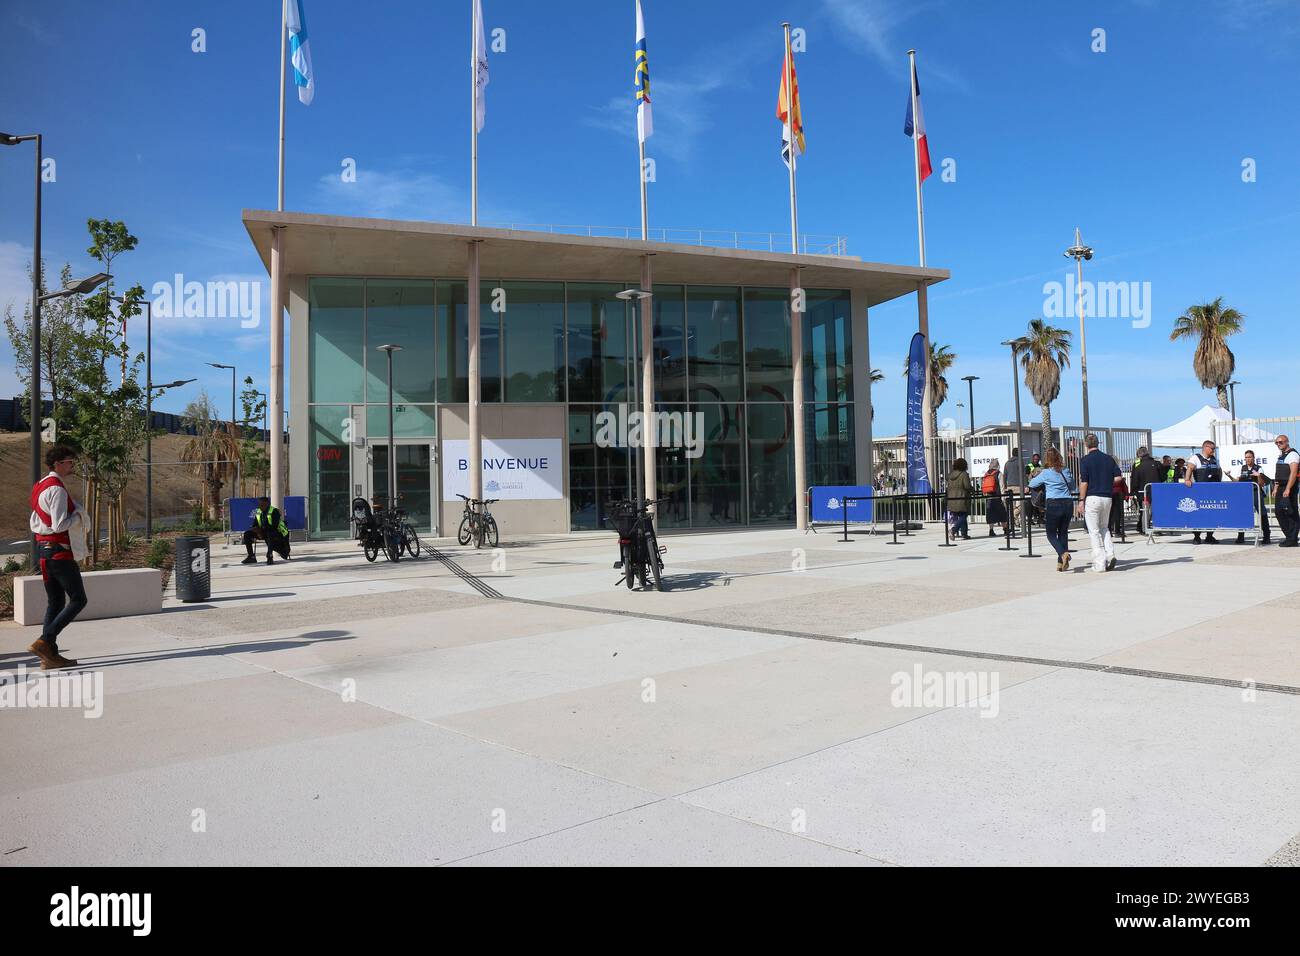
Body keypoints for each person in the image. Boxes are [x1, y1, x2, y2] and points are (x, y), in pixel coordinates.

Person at [28, 444, 87, 670]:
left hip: (44, 550)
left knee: (55, 602)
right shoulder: (58, 490)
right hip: (60, 551)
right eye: (70, 462)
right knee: (79, 599)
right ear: (58, 463)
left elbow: (37, 520)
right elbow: (59, 523)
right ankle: (45, 641)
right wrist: (78, 517)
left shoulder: (41, 486)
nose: (72, 465)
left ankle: (49, 655)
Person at [1077, 433, 1121, 572]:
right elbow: (1119, 477)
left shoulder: (1085, 460)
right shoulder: (1108, 459)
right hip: (1107, 497)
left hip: (1092, 497)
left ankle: (1099, 562)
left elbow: (1084, 482)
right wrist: (1107, 482)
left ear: (1086, 444)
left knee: (1094, 531)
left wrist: (1081, 500)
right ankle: (1110, 553)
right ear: (1098, 443)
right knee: (1104, 528)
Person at [1029, 447, 1074, 571]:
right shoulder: (1066, 470)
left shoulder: (1046, 473)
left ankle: (1063, 554)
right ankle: (1061, 563)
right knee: (1063, 533)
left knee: (1051, 534)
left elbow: (1032, 484)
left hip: (1054, 503)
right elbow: (1072, 485)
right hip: (1068, 503)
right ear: (1059, 457)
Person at [1184, 440, 1224, 544]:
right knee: (1198, 514)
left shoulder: (1214, 459)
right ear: (1205, 447)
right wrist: (1187, 479)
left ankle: (1210, 536)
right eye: (1212, 448)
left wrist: (1219, 482)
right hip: (1200, 492)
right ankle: (1197, 537)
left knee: (1212, 514)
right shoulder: (1195, 458)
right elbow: (1190, 468)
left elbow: (1219, 471)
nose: (1213, 451)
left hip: (1213, 492)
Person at [1233, 449, 1272, 544]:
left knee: (1262, 513)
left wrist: (1258, 475)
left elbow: (1262, 484)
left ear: (1253, 458)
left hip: (1256, 492)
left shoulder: (1259, 468)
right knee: (1242, 514)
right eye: (1246, 457)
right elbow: (1236, 481)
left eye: (1249, 457)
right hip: (1244, 493)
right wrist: (1229, 475)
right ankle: (1241, 536)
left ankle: (1266, 536)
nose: (1247, 459)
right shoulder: (1242, 468)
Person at [242, 496, 292, 564]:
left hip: (279, 532)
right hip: (264, 531)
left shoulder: (274, 511)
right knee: (247, 534)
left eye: (262, 505)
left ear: (267, 504)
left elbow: (274, 526)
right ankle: (251, 557)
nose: (260, 507)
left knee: (269, 534)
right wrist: (256, 529)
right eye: (259, 505)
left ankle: (269, 557)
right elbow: (255, 524)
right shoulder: (258, 511)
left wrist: (261, 531)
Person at [1273, 435, 1300, 547]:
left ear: (1287, 442)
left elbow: (1293, 473)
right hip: (1281, 487)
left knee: (1291, 512)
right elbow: (1279, 473)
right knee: (1279, 512)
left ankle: (1292, 538)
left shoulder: (1293, 454)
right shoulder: (1281, 456)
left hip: (1289, 487)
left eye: (1281, 442)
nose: (1279, 444)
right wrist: (1275, 487)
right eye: (1277, 443)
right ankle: (1290, 536)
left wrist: (1288, 488)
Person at [1129, 446, 1162, 535]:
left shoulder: (1138, 466)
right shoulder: (1157, 464)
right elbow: (1162, 477)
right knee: (1155, 511)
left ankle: (1145, 529)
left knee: (1145, 511)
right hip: (1156, 491)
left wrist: (1132, 492)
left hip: (1143, 492)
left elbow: (1134, 480)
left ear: (1139, 456)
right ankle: (1157, 528)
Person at [945, 459, 972, 539]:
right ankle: (953, 530)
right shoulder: (964, 474)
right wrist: (972, 489)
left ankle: (964, 534)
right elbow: (967, 486)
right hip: (961, 499)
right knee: (963, 515)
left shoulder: (950, 475)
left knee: (961, 516)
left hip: (952, 499)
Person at [981, 458, 1009, 536]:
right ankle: (1005, 529)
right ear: (997, 465)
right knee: (1002, 514)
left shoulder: (986, 473)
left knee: (990, 514)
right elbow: (1002, 486)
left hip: (989, 497)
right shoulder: (998, 473)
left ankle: (991, 530)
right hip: (997, 497)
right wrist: (1003, 498)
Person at [1109, 455, 1129, 536]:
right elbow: (1120, 481)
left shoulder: (1104, 469)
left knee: (1109, 513)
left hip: (1108, 492)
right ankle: (1117, 530)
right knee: (1117, 512)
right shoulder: (1116, 469)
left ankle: (1109, 530)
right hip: (1117, 492)